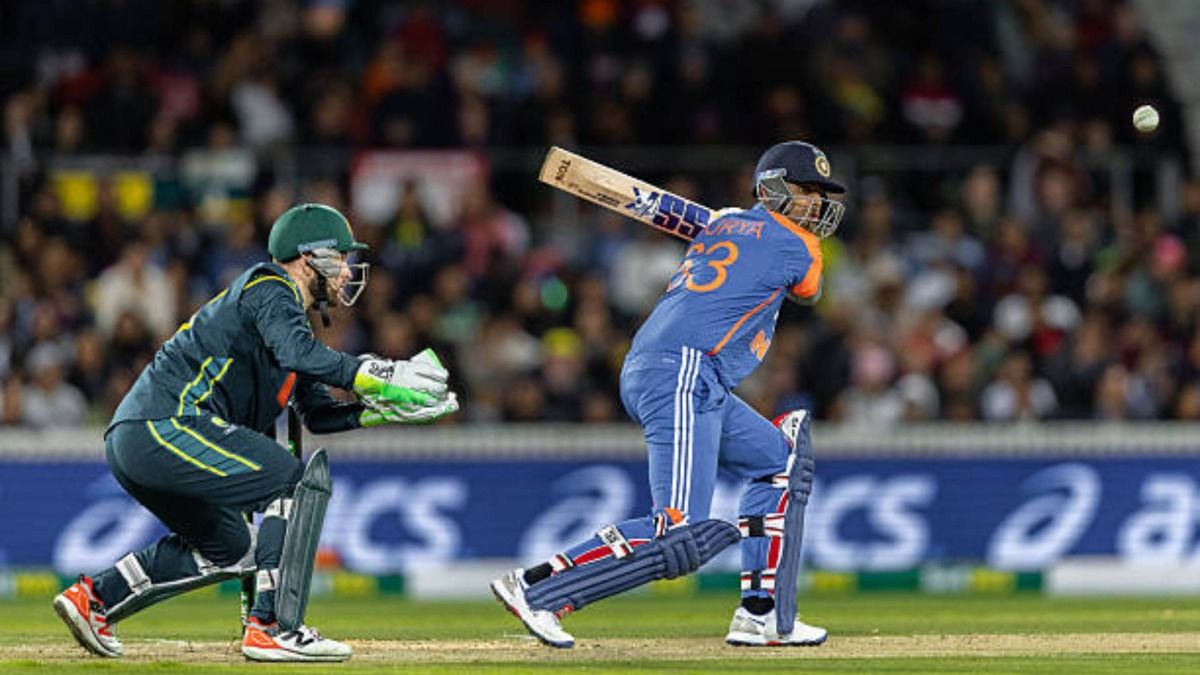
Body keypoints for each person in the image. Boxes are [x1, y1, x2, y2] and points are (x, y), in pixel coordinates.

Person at [52, 204, 459, 662]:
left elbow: (318, 414)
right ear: (311, 258)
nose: (347, 272)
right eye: (341, 258)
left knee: (233, 548)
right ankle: (271, 627)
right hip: (166, 424)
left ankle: (95, 599)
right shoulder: (270, 286)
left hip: (144, 436)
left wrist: (384, 411)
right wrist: (377, 371)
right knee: (290, 479)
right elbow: (299, 353)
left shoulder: (288, 321)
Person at [491, 141, 846, 648]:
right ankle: (537, 589)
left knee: (779, 463)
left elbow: (747, 243)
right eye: (806, 190)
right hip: (681, 370)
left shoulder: (724, 225)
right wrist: (773, 229)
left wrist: (734, 222)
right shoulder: (796, 244)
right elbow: (809, 290)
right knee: (677, 530)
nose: (816, 203)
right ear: (772, 190)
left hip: (683, 373)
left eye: (821, 194)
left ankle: (761, 614)